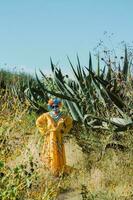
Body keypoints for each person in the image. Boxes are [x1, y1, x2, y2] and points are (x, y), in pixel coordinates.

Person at [36, 98, 73, 176]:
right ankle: (52, 170)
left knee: (59, 152)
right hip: (50, 137)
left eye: (56, 106)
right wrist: (45, 131)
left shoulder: (63, 116)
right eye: (53, 106)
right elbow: (38, 122)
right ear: (50, 107)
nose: (55, 108)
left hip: (59, 137)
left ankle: (60, 170)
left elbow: (70, 123)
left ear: (59, 106)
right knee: (51, 151)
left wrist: (65, 131)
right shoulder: (47, 115)